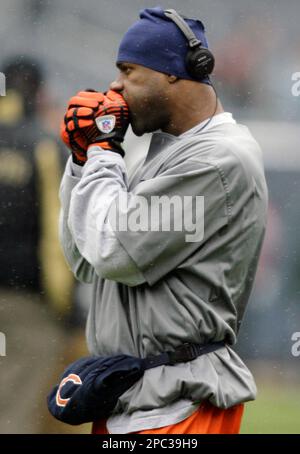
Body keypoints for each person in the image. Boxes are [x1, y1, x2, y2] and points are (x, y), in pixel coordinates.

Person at [58, 7, 268, 434]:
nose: (115, 85)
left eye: (128, 70)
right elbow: (84, 258)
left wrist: (100, 153)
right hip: (134, 395)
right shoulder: (163, 153)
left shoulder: (219, 159)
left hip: (179, 404)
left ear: (172, 73)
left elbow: (115, 252)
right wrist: (82, 160)